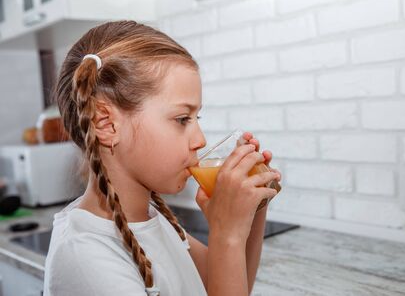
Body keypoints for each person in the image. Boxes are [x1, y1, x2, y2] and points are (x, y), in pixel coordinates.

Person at [44, 20, 282, 296]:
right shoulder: (84, 256)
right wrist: (226, 234)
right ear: (106, 124)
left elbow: (228, 284)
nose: (200, 139)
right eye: (182, 119)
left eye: (197, 117)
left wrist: (252, 206)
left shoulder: (151, 219)